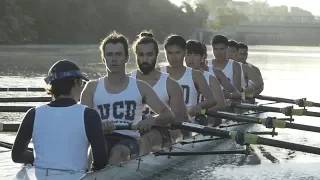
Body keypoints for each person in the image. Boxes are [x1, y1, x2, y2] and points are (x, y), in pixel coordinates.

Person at [80, 31, 174, 165]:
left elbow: (168, 115)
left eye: (118, 54)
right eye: (109, 55)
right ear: (103, 58)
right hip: (101, 139)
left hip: (129, 140)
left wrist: (152, 120)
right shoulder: (91, 87)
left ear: (126, 57)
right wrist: (98, 127)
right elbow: (82, 125)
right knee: (93, 155)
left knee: (118, 152)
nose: (113, 59)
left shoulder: (141, 87)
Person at [12, 60, 108, 179]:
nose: (82, 87)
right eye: (82, 83)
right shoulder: (89, 115)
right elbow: (101, 161)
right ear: (76, 82)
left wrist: (43, 158)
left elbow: (17, 156)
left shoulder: (33, 113)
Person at [130, 31, 188, 155]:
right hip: (131, 131)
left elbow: (177, 121)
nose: (145, 60)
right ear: (135, 55)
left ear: (157, 55)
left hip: (162, 131)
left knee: (145, 139)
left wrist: (153, 120)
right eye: (141, 55)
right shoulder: (127, 80)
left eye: (149, 55)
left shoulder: (171, 85)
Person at [158, 34, 217, 124]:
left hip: (187, 120)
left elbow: (212, 100)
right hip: (163, 120)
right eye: (170, 53)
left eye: (178, 53)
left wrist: (199, 106)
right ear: (165, 53)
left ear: (185, 53)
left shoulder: (196, 75)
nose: (174, 57)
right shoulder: (158, 73)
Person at [185, 40, 226, 111]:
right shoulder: (173, 77)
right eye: (188, 55)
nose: (191, 59)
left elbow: (221, 105)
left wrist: (201, 109)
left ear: (202, 58)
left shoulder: (211, 79)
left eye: (195, 55)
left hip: (202, 118)